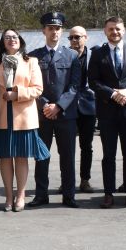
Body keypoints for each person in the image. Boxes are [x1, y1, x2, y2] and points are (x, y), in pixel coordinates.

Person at [88, 17, 126, 209]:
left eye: (118, 29)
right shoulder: (98, 54)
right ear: (105, 31)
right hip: (107, 112)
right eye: (111, 29)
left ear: (125, 31)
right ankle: (108, 194)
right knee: (109, 155)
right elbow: (93, 82)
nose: (115, 32)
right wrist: (113, 93)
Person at [28, 12, 81, 208]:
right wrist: (45, 105)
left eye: (57, 28)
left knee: (67, 157)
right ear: (44, 31)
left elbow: (75, 86)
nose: (54, 32)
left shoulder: (72, 55)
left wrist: (58, 106)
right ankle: (41, 194)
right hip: (42, 115)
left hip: (66, 114)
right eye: (50, 28)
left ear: (62, 30)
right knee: (42, 156)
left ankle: (69, 195)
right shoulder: (34, 56)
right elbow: (31, 83)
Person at [0, 29, 45, 212]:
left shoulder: (31, 62)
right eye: (7, 38)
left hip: (24, 117)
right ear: (2, 42)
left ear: (20, 41)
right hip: (2, 117)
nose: (11, 40)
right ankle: (8, 195)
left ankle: (20, 195)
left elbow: (37, 89)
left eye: (14, 37)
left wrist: (17, 94)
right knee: (5, 157)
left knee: (21, 157)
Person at [69, 26, 97, 194]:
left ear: (85, 38)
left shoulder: (94, 55)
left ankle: (84, 180)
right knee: (67, 147)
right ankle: (68, 180)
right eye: (71, 37)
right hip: (68, 107)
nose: (74, 40)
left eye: (77, 37)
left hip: (88, 107)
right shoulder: (65, 55)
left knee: (86, 146)